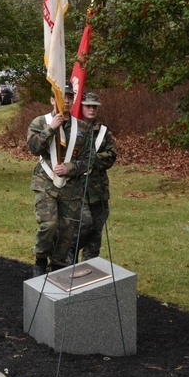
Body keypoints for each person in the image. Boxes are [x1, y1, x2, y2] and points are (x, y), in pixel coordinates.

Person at [27, 83, 90, 276]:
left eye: (70, 97)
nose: (67, 100)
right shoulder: (40, 122)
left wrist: (70, 168)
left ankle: (57, 266)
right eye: (62, 97)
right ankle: (40, 260)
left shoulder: (83, 127)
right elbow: (33, 148)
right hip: (45, 181)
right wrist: (51, 128)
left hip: (71, 186)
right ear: (52, 100)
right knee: (49, 225)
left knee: (67, 230)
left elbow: (89, 160)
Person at [77, 92, 117, 261]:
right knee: (82, 227)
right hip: (76, 190)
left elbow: (111, 156)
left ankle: (89, 268)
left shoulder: (103, 131)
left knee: (96, 232)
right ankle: (65, 263)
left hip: (98, 189)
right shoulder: (72, 128)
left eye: (94, 106)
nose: (92, 109)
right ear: (81, 106)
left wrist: (91, 159)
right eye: (88, 106)